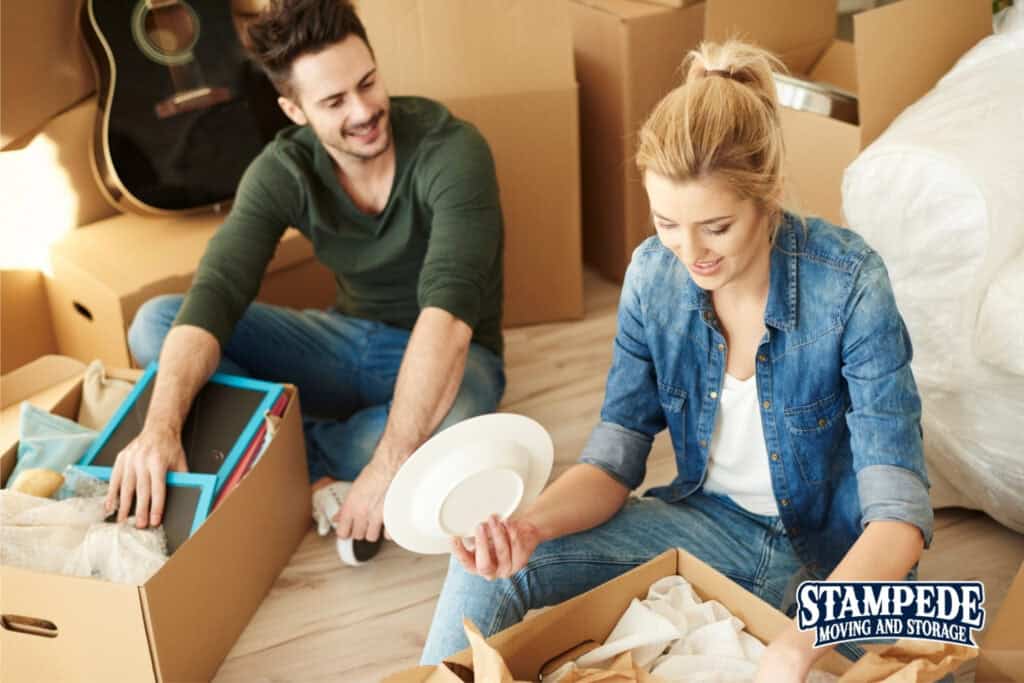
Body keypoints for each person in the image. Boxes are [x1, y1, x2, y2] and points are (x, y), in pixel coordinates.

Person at [420, 40, 932, 681]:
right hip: (708, 529)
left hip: (844, 564)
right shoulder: (652, 277)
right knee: (489, 568)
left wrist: (800, 645)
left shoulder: (852, 282)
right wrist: (529, 527)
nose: (692, 254)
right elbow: (613, 462)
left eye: (716, 226)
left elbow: (898, 521)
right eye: (667, 222)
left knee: (926, 657)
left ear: (767, 196)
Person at [111, 0, 506, 558]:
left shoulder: (453, 151)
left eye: (368, 83)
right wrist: (157, 431)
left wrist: (383, 469)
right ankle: (316, 456)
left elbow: (449, 321)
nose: (365, 110)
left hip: (453, 355)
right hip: (342, 340)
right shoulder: (283, 170)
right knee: (157, 322)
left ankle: (278, 452)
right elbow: (217, 291)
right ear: (294, 110)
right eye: (334, 101)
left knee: (464, 415)